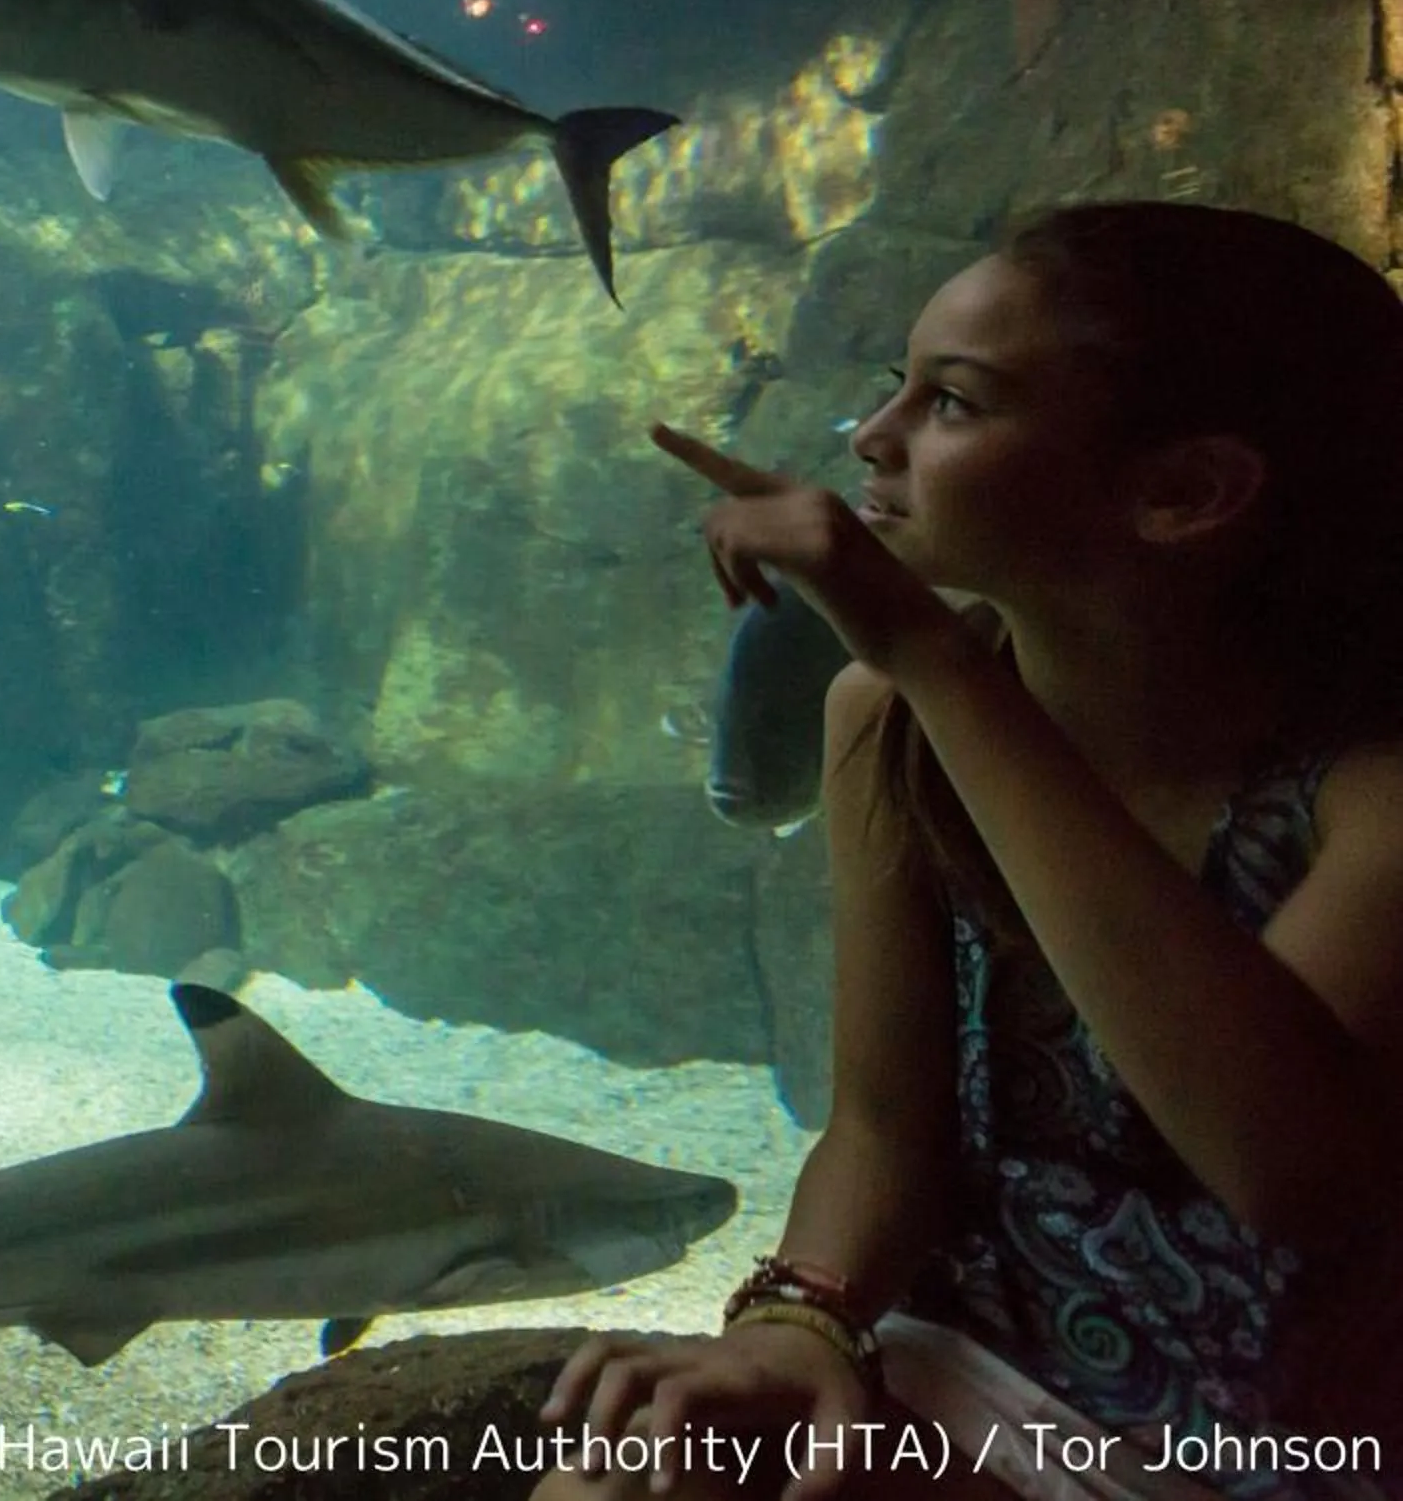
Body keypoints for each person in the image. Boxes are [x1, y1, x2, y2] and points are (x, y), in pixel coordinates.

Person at [541, 202, 1403, 1501]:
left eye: (951, 401)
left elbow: (1285, 1167)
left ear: (1186, 491)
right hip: (979, 1374)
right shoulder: (883, 716)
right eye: (895, 386)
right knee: (640, 1473)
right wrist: (799, 1319)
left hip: (1312, 1438)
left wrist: (935, 655)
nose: (870, 440)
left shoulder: (1367, 788)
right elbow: (886, 1124)